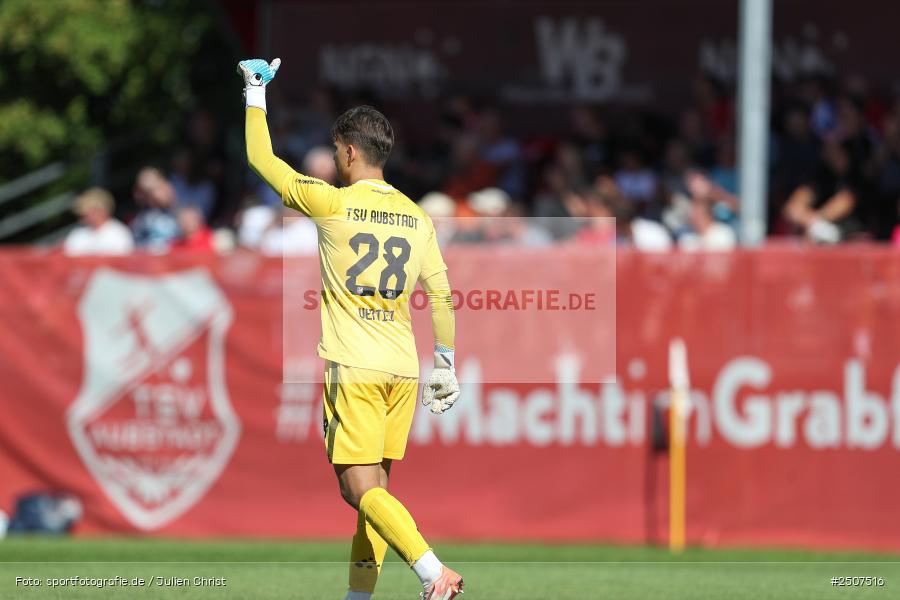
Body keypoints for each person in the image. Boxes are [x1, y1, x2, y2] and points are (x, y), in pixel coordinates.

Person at [238, 58, 463, 600]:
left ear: (348, 151)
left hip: (355, 365)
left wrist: (255, 92)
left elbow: (259, 158)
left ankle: (434, 573)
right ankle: (359, 596)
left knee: (356, 487)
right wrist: (446, 361)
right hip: (402, 370)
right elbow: (439, 294)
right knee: (376, 492)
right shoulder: (418, 216)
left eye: (337, 150)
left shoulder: (332, 204)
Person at [63, 187, 134, 256]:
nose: (83, 217)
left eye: (88, 212)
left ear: (102, 210)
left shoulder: (119, 233)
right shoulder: (77, 234)